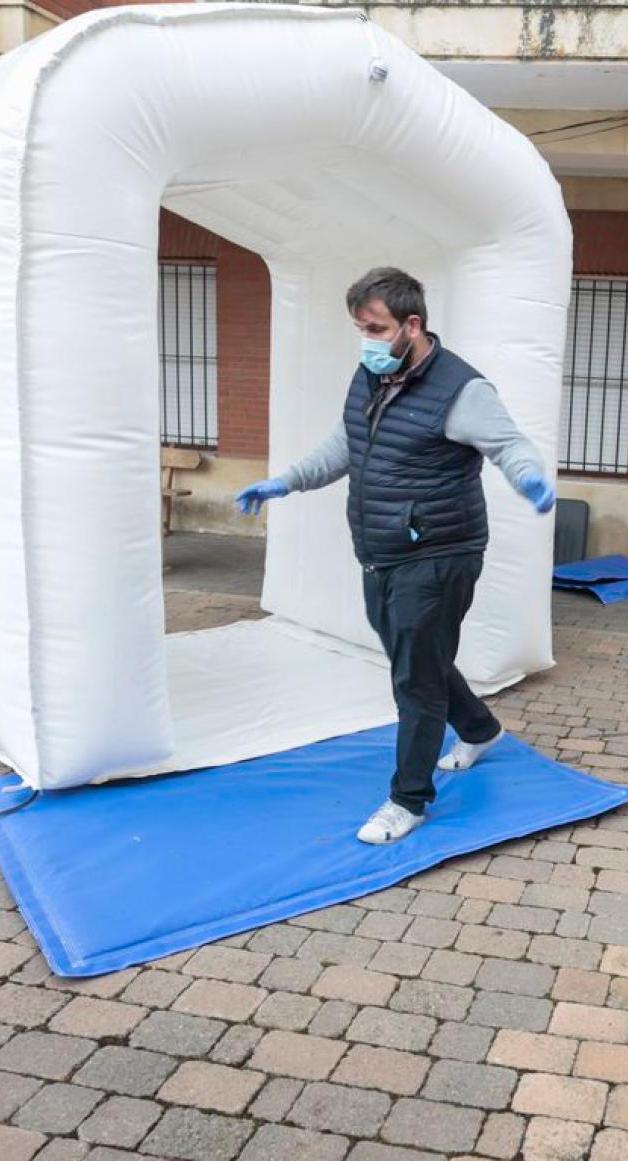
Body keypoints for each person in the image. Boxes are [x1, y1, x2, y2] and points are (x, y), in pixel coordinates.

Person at [234, 267, 556, 845]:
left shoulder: (462, 390)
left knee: (415, 679)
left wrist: (529, 478)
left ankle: (408, 801)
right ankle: (480, 729)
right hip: (381, 550)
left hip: (440, 553)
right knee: (416, 658)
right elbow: (347, 443)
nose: (367, 340)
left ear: (413, 324)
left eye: (376, 328)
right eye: (360, 328)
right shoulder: (371, 375)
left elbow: (509, 444)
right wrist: (287, 481)